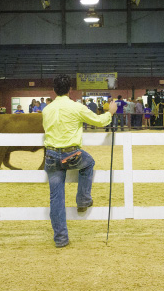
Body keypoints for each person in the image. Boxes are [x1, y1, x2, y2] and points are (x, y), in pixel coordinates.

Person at [42, 74, 117, 248]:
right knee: (88, 163)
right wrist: (110, 113)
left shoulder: (47, 109)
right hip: (71, 154)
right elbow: (98, 121)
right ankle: (83, 199)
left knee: (56, 198)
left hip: (52, 156)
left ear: (53, 91)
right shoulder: (76, 107)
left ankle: (60, 239)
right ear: (70, 90)